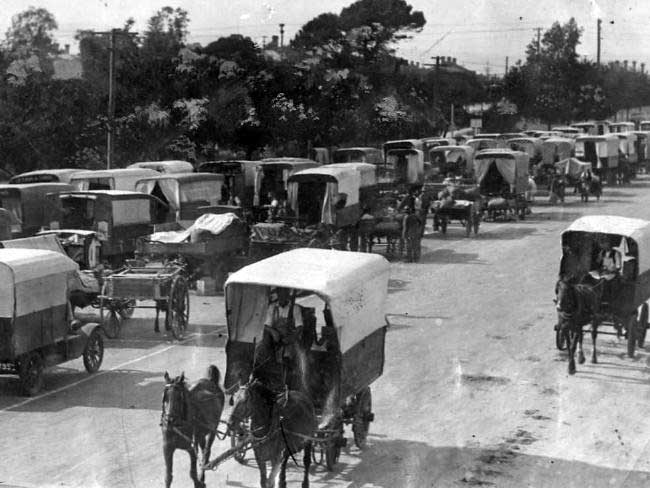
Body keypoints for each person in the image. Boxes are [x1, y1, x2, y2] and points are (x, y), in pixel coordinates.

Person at [253, 287, 304, 392]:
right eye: (280, 294)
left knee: (288, 357)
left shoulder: (295, 308)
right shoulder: (272, 307)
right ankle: (258, 375)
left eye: (284, 293)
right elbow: (266, 325)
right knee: (260, 351)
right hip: (275, 338)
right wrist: (273, 332)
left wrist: (290, 338)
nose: (282, 296)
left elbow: (299, 327)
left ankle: (288, 383)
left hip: (289, 339)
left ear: (288, 294)